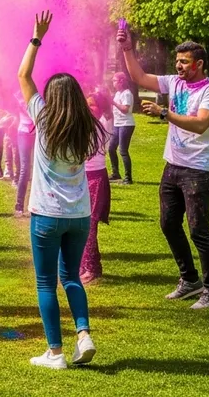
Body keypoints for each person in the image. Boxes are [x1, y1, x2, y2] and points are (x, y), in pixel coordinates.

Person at [117, 28, 209, 309]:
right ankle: (190, 280)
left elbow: (201, 124)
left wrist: (165, 113)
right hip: (173, 166)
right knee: (168, 223)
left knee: (198, 230)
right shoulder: (174, 82)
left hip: (198, 169)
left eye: (185, 61)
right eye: (177, 61)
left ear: (199, 63)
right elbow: (139, 78)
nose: (179, 66)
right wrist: (128, 48)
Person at [18, 10, 99, 369]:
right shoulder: (86, 126)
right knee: (71, 277)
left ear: (51, 95)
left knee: (46, 284)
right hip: (80, 215)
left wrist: (36, 38)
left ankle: (55, 352)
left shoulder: (44, 118)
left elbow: (22, 75)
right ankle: (83, 334)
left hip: (47, 215)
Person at [81, 89, 113, 285]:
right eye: (86, 104)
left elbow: (85, 153)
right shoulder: (87, 125)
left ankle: (92, 268)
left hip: (96, 179)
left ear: (101, 109)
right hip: (82, 178)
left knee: (89, 225)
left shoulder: (101, 126)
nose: (88, 108)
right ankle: (85, 265)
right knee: (81, 223)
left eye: (92, 105)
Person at [109, 72, 136, 184]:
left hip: (126, 124)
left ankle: (128, 178)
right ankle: (116, 173)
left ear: (121, 81)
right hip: (117, 124)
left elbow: (125, 109)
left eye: (114, 80)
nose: (113, 82)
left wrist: (113, 103)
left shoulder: (127, 94)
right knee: (111, 148)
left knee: (123, 151)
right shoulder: (117, 93)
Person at [13, 91, 36, 218]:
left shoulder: (39, 93)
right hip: (24, 132)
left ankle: (37, 204)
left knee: (39, 168)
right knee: (25, 168)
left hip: (38, 132)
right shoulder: (18, 94)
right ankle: (19, 205)